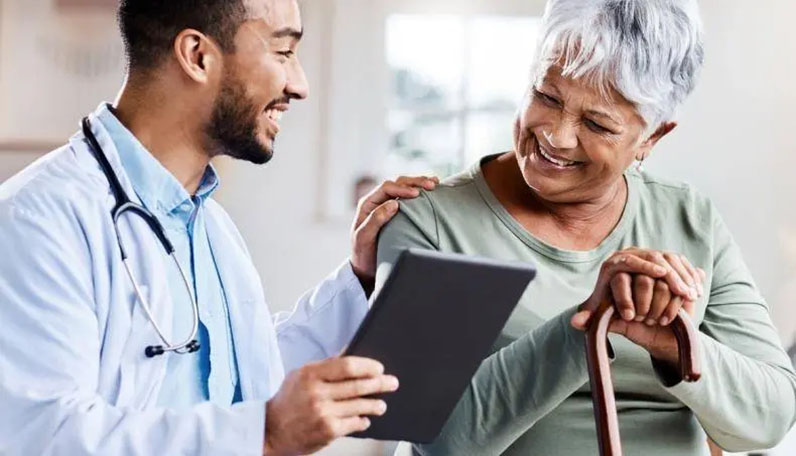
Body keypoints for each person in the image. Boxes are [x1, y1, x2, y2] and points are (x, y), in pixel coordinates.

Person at [0, 0, 439, 454]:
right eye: (283, 52)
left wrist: (360, 277)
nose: (300, 85)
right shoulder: (36, 220)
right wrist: (264, 435)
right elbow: (40, 437)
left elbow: (246, 382)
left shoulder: (209, 224)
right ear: (198, 56)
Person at [376, 0, 796, 454]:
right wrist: (588, 323)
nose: (556, 135)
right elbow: (436, 442)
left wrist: (674, 343)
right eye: (546, 96)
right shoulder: (430, 223)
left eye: (597, 123)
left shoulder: (689, 219)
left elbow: (770, 419)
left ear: (652, 138)